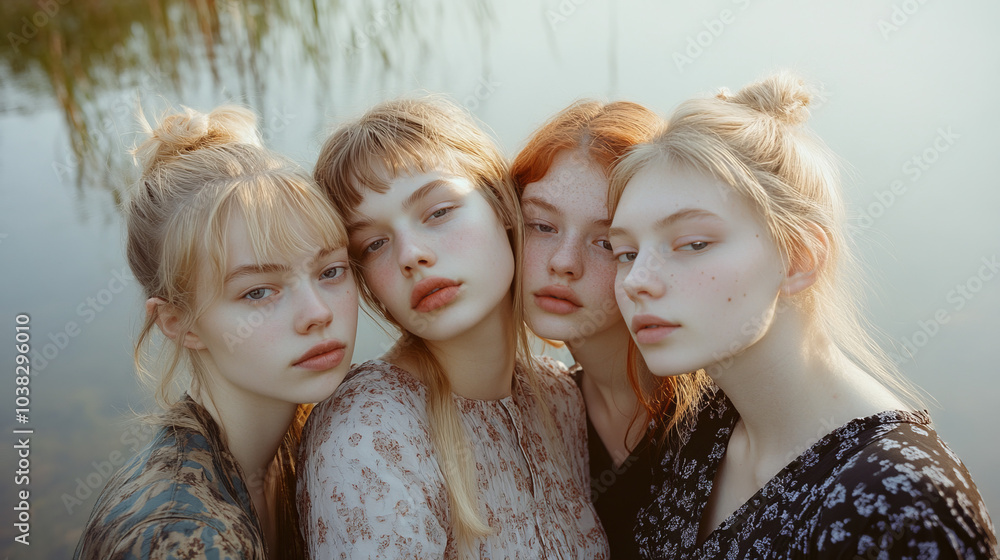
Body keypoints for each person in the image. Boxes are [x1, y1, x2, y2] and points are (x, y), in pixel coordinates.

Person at [607, 71, 999, 559]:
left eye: (693, 243)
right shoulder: (699, 423)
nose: (636, 280)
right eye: (624, 252)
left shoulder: (901, 503)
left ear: (799, 259)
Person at [300, 96, 608, 558]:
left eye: (438, 212)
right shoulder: (370, 432)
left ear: (502, 205)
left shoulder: (559, 399)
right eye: (375, 243)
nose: (410, 255)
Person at [74, 105, 359, 560]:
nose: (317, 313)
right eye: (259, 292)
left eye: (331, 271)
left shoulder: (303, 436)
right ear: (179, 323)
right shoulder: (179, 541)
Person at [511, 100, 711, 558]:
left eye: (605, 242)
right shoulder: (548, 413)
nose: (563, 262)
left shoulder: (724, 416)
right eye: (541, 225)